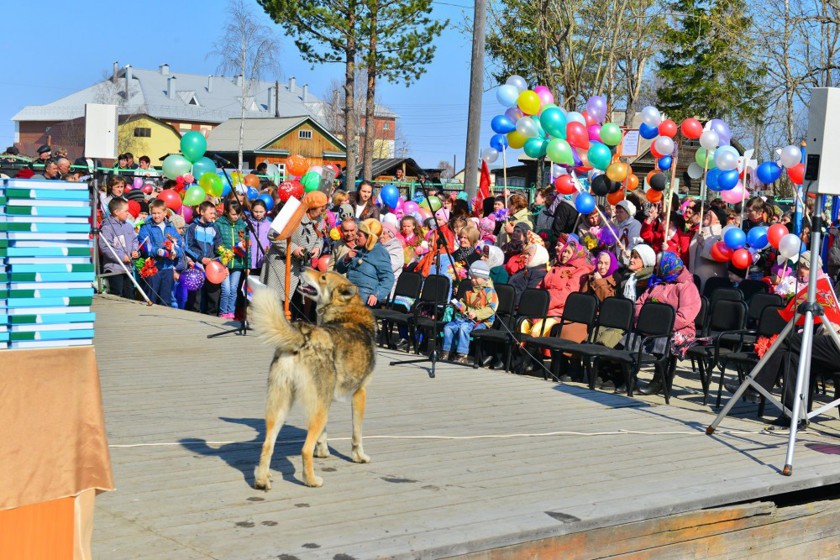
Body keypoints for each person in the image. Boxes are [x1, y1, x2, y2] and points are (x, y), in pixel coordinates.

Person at [634, 252, 702, 395]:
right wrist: (642, 321)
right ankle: (627, 377)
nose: (656, 268)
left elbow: (684, 316)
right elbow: (640, 303)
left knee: (663, 340)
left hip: (680, 331)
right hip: (651, 326)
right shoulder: (658, 282)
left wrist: (661, 327)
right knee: (631, 337)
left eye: (659, 265)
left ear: (667, 266)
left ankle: (658, 381)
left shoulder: (686, 286)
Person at [263, 191, 327, 311]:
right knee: (278, 305)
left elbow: (320, 238)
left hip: (301, 269)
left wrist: (318, 248)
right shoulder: (291, 212)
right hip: (283, 266)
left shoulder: (319, 219)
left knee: (295, 305)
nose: (323, 212)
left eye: (324, 208)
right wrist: (293, 249)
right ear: (311, 207)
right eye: (321, 208)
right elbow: (272, 234)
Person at [442, 260, 498, 364]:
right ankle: (446, 351)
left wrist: (476, 314)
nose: (473, 280)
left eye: (476, 278)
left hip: (482, 322)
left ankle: (462, 354)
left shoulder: (490, 291)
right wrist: (458, 305)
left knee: (464, 328)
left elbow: (491, 309)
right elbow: (464, 303)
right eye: (472, 277)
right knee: (448, 327)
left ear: (484, 278)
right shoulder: (469, 289)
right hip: (466, 318)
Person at [336, 219, 395, 307]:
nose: (356, 237)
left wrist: (376, 294)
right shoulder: (358, 249)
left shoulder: (380, 252)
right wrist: (346, 258)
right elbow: (340, 269)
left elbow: (388, 278)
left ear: (370, 238)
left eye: (359, 235)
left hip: (365, 296)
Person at [137, 199, 182, 306]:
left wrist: (175, 252)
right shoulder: (146, 227)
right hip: (152, 268)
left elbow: (179, 244)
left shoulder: (171, 228)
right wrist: (157, 251)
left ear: (165, 213)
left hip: (168, 268)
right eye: (153, 213)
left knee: (165, 299)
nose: (156, 216)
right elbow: (144, 246)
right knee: (151, 296)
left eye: (159, 213)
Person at [184, 201, 223, 315]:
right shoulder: (192, 227)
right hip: (197, 265)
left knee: (214, 294)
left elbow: (219, 245)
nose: (213, 215)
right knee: (196, 296)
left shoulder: (214, 228)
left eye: (214, 213)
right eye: (210, 213)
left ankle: (212, 316)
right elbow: (187, 246)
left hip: (212, 265)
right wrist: (200, 258)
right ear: (201, 212)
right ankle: (194, 316)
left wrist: (223, 254)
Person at [216, 199, 250, 319]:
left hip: (238, 263)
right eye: (233, 214)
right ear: (226, 212)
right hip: (224, 263)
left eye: (238, 214)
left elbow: (247, 246)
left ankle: (231, 313)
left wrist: (247, 265)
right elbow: (217, 243)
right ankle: (222, 312)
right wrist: (223, 254)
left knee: (234, 289)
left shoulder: (243, 225)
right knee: (226, 289)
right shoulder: (219, 224)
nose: (236, 217)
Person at [99, 198, 139, 300]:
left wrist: (135, 251)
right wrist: (121, 257)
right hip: (114, 268)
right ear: (116, 212)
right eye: (125, 211)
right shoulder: (107, 227)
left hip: (127, 268)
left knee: (129, 294)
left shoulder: (128, 226)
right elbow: (105, 247)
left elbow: (135, 240)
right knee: (117, 294)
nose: (128, 213)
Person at [688, 205, 728, 291]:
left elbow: (719, 256)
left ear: (718, 220)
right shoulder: (699, 233)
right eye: (706, 213)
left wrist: (703, 244)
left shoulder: (720, 235)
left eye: (710, 214)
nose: (707, 214)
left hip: (710, 282)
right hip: (693, 279)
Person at [509, 243, 550, 308]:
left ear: (538, 257)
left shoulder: (539, 273)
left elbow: (529, 294)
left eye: (529, 254)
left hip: (517, 309)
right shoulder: (524, 270)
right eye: (526, 254)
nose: (525, 256)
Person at [612, 200, 642, 264]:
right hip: (619, 261)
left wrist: (627, 252)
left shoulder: (635, 224)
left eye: (621, 212)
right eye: (617, 212)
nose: (618, 214)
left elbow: (634, 242)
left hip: (630, 261)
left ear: (628, 212)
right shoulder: (618, 225)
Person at [247, 199, 271, 279]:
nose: (258, 214)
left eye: (261, 212)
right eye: (256, 211)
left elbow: (272, 243)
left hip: (263, 262)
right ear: (251, 210)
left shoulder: (269, 225)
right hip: (250, 263)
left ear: (265, 211)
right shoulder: (246, 224)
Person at [378, 221, 404, 290]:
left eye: (384, 233)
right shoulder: (377, 245)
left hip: (387, 288)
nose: (381, 236)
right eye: (379, 233)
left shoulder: (396, 248)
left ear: (390, 235)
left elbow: (389, 267)